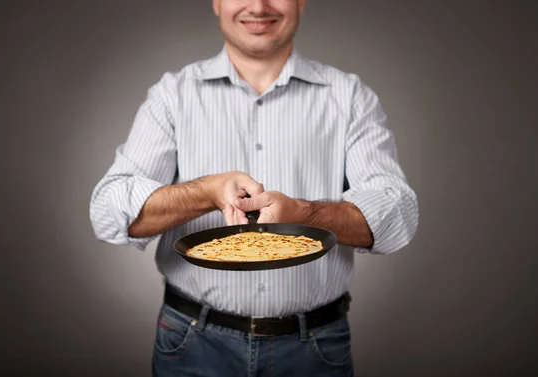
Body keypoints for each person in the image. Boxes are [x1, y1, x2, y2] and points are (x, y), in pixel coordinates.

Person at [89, 0, 419, 376]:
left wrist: (302, 214)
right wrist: (206, 192)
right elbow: (108, 212)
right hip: (193, 345)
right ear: (216, 2)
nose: (258, 5)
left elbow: (397, 217)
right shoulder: (173, 95)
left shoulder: (349, 97)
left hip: (314, 349)